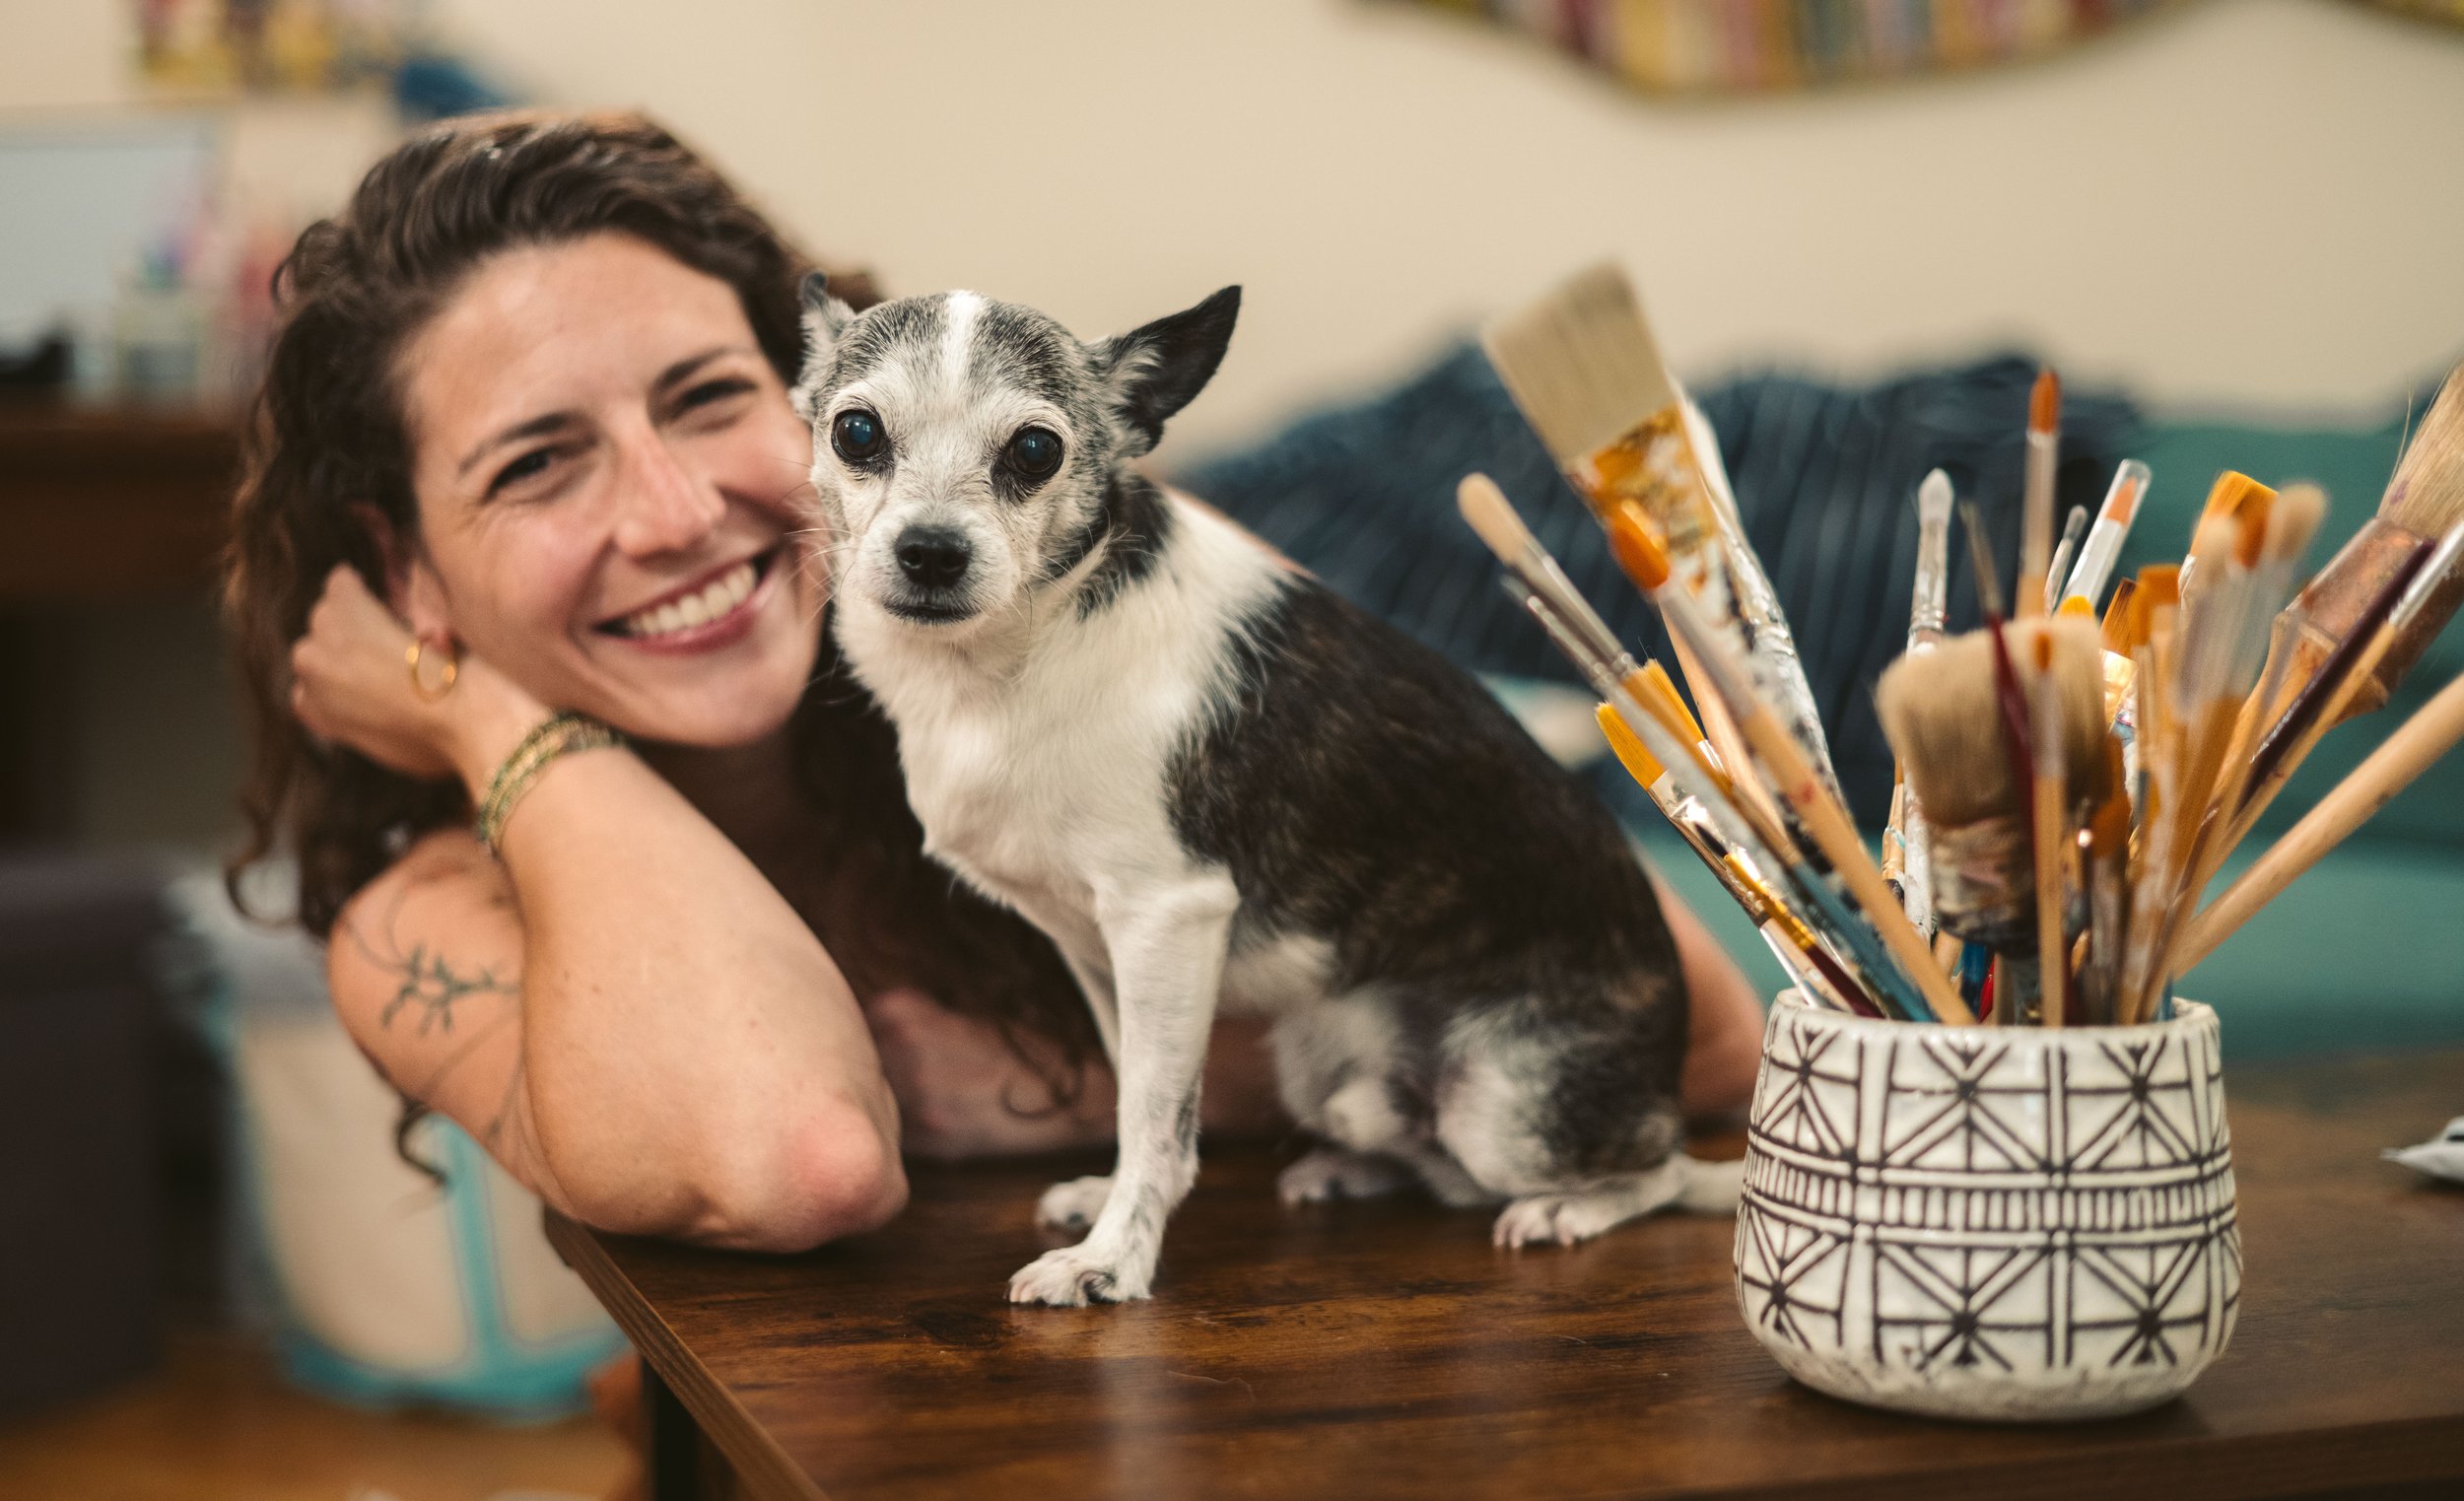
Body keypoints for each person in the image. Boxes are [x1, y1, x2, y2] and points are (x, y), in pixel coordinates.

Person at [227, 109, 1765, 1256]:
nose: (679, 512)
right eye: (537, 463)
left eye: (710, 400)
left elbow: (1695, 1033)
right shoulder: (421, 909)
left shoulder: (1074, 621)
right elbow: (798, 1160)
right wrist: (487, 718)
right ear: (406, 564)